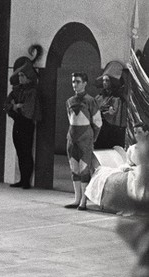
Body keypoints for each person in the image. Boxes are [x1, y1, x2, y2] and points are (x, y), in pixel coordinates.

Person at [64, 72, 102, 210]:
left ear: (85, 83)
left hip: (85, 139)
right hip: (72, 138)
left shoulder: (91, 101)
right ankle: (76, 199)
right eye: (73, 81)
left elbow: (98, 122)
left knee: (84, 169)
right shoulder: (69, 101)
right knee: (74, 168)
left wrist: (92, 137)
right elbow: (70, 120)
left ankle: (84, 201)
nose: (75, 84)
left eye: (78, 82)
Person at [4, 60, 41, 189]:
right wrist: (15, 106)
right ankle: (22, 179)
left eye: (22, 76)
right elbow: (7, 105)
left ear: (28, 77)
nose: (20, 78)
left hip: (26, 124)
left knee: (26, 151)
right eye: (19, 76)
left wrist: (15, 107)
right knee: (19, 151)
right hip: (18, 123)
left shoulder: (32, 91)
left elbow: (28, 110)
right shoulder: (17, 90)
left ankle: (26, 180)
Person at [94, 72, 126, 150]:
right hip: (99, 127)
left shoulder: (117, 98)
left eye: (107, 80)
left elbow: (113, 112)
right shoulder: (99, 97)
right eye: (103, 80)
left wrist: (103, 111)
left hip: (111, 129)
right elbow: (94, 109)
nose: (104, 83)